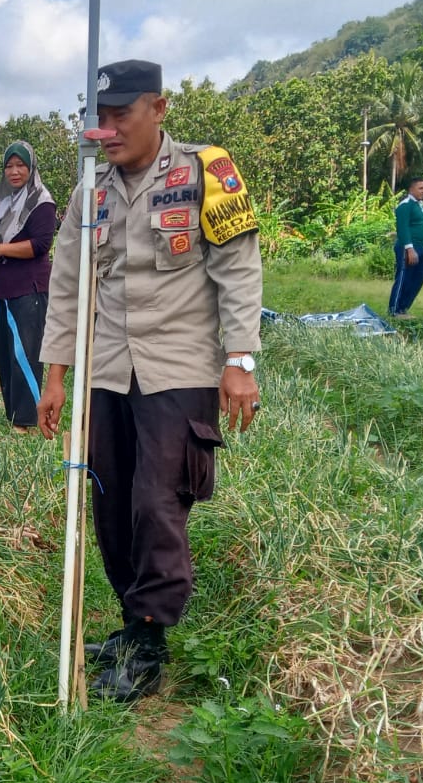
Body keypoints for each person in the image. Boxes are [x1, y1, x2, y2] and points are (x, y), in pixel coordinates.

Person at [35, 59, 262, 705]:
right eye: (98, 117)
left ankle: (150, 635)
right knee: (109, 502)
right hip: (108, 367)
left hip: (180, 366)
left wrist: (239, 361)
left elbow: (238, 269)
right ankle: (133, 618)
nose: (108, 130)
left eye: (121, 115)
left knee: (155, 501)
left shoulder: (206, 172)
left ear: (158, 109)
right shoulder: (90, 191)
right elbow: (68, 287)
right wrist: (56, 376)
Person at [0, 141, 56, 430]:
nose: (15, 171)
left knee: (25, 353)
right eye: (9, 166)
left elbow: (41, 245)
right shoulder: (3, 201)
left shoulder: (41, 201)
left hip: (29, 288)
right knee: (5, 353)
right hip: (4, 288)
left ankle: (27, 420)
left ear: (31, 168)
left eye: (21, 165)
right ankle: (13, 414)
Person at [388, 177, 423, 318]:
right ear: (411, 189)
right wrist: (409, 249)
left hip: (422, 247)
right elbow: (403, 228)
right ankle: (394, 309)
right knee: (404, 278)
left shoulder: (420, 205)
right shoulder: (405, 205)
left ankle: (403, 309)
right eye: (420, 188)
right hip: (408, 248)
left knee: (418, 279)